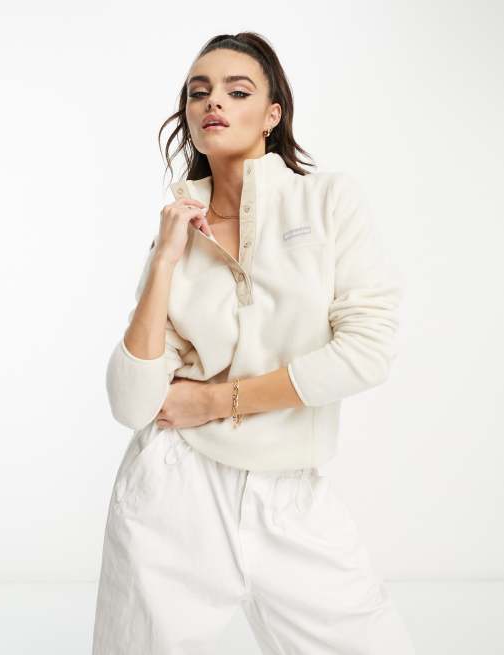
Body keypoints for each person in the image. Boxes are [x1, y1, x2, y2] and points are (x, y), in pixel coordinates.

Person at [92, 32, 416, 655]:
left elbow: (366, 352)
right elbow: (132, 403)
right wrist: (165, 259)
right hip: (173, 491)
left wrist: (217, 400)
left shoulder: (327, 202)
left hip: (290, 492)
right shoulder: (177, 229)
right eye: (199, 92)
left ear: (272, 114)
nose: (213, 102)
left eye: (237, 91)